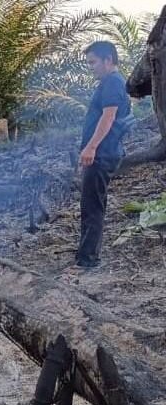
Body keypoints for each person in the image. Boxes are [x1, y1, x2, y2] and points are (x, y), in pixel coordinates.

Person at [77, 40, 133, 269]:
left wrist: (91, 147)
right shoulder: (111, 83)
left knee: (92, 206)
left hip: (102, 154)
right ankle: (85, 254)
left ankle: (88, 259)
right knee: (90, 203)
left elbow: (108, 117)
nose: (90, 67)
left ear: (107, 60)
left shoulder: (112, 82)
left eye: (93, 62)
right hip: (101, 152)